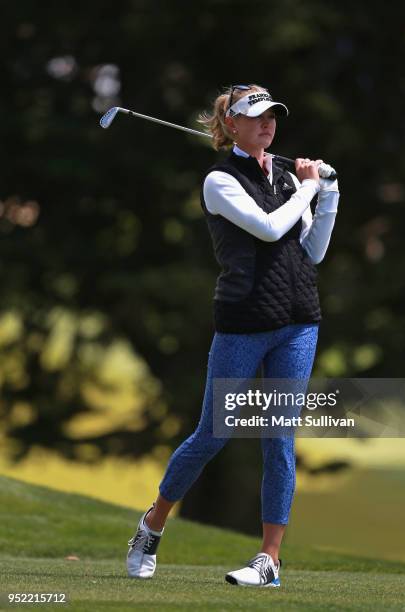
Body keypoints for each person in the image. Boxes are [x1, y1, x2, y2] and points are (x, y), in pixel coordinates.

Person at [126, 84, 340, 587]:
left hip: (298, 321)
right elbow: (267, 229)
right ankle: (153, 523)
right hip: (245, 321)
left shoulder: (289, 178)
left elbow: (312, 251)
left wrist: (328, 195)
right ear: (232, 126)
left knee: (279, 440)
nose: (268, 125)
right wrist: (309, 188)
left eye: (273, 118)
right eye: (257, 117)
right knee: (213, 434)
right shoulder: (218, 181)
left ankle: (269, 560)